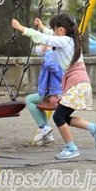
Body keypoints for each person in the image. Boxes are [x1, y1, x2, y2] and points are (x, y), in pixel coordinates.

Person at [10, 14, 96, 160]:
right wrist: (42, 27)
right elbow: (49, 36)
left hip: (77, 84)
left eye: (54, 30)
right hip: (78, 83)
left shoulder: (65, 41)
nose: (53, 32)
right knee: (64, 117)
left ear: (61, 30)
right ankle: (94, 128)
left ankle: (71, 148)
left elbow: (45, 39)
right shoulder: (70, 39)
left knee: (59, 116)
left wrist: (21, 28)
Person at [24, 17, 64, 145]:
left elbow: (54, 68)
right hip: (52, 89)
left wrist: (47, 53)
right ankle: (46, 133)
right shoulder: (62, 49)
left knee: (29, 100)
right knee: (38, 104)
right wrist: (41, 27)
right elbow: (51, 35)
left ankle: (43, 127)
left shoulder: (52, 54)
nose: (41, 47)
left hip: (52, 91)